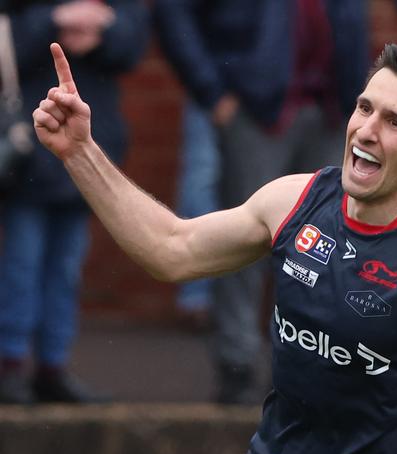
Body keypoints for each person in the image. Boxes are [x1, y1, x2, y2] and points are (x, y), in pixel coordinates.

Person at [33, 42, 397, 454]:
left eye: (394, 123)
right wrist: (80, 152)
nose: (367, 131)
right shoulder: (294, 200)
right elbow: (172, 250)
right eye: (365, 108)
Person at [152, 0, 370, 403]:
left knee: (324, 252)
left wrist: (358, 100)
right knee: (243, 242)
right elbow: (172, 12)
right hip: (255, 107)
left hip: (331, 110)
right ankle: (236, 368)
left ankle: (305, 374)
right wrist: (212, 93)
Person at [0, 0, 148, 404]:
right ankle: (10, 366)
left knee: (66, 267)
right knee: (21, 263)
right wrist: (55, 20)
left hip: (89, 145)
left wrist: (103, 27)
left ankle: (52, 367)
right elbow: (11, 42)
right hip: (28, 147)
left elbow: (133, 44)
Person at [173, 99, 222, 333]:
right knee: (201, 187)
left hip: (272, 103)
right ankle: (195, 298)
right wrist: (211, 91)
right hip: (214, 96)